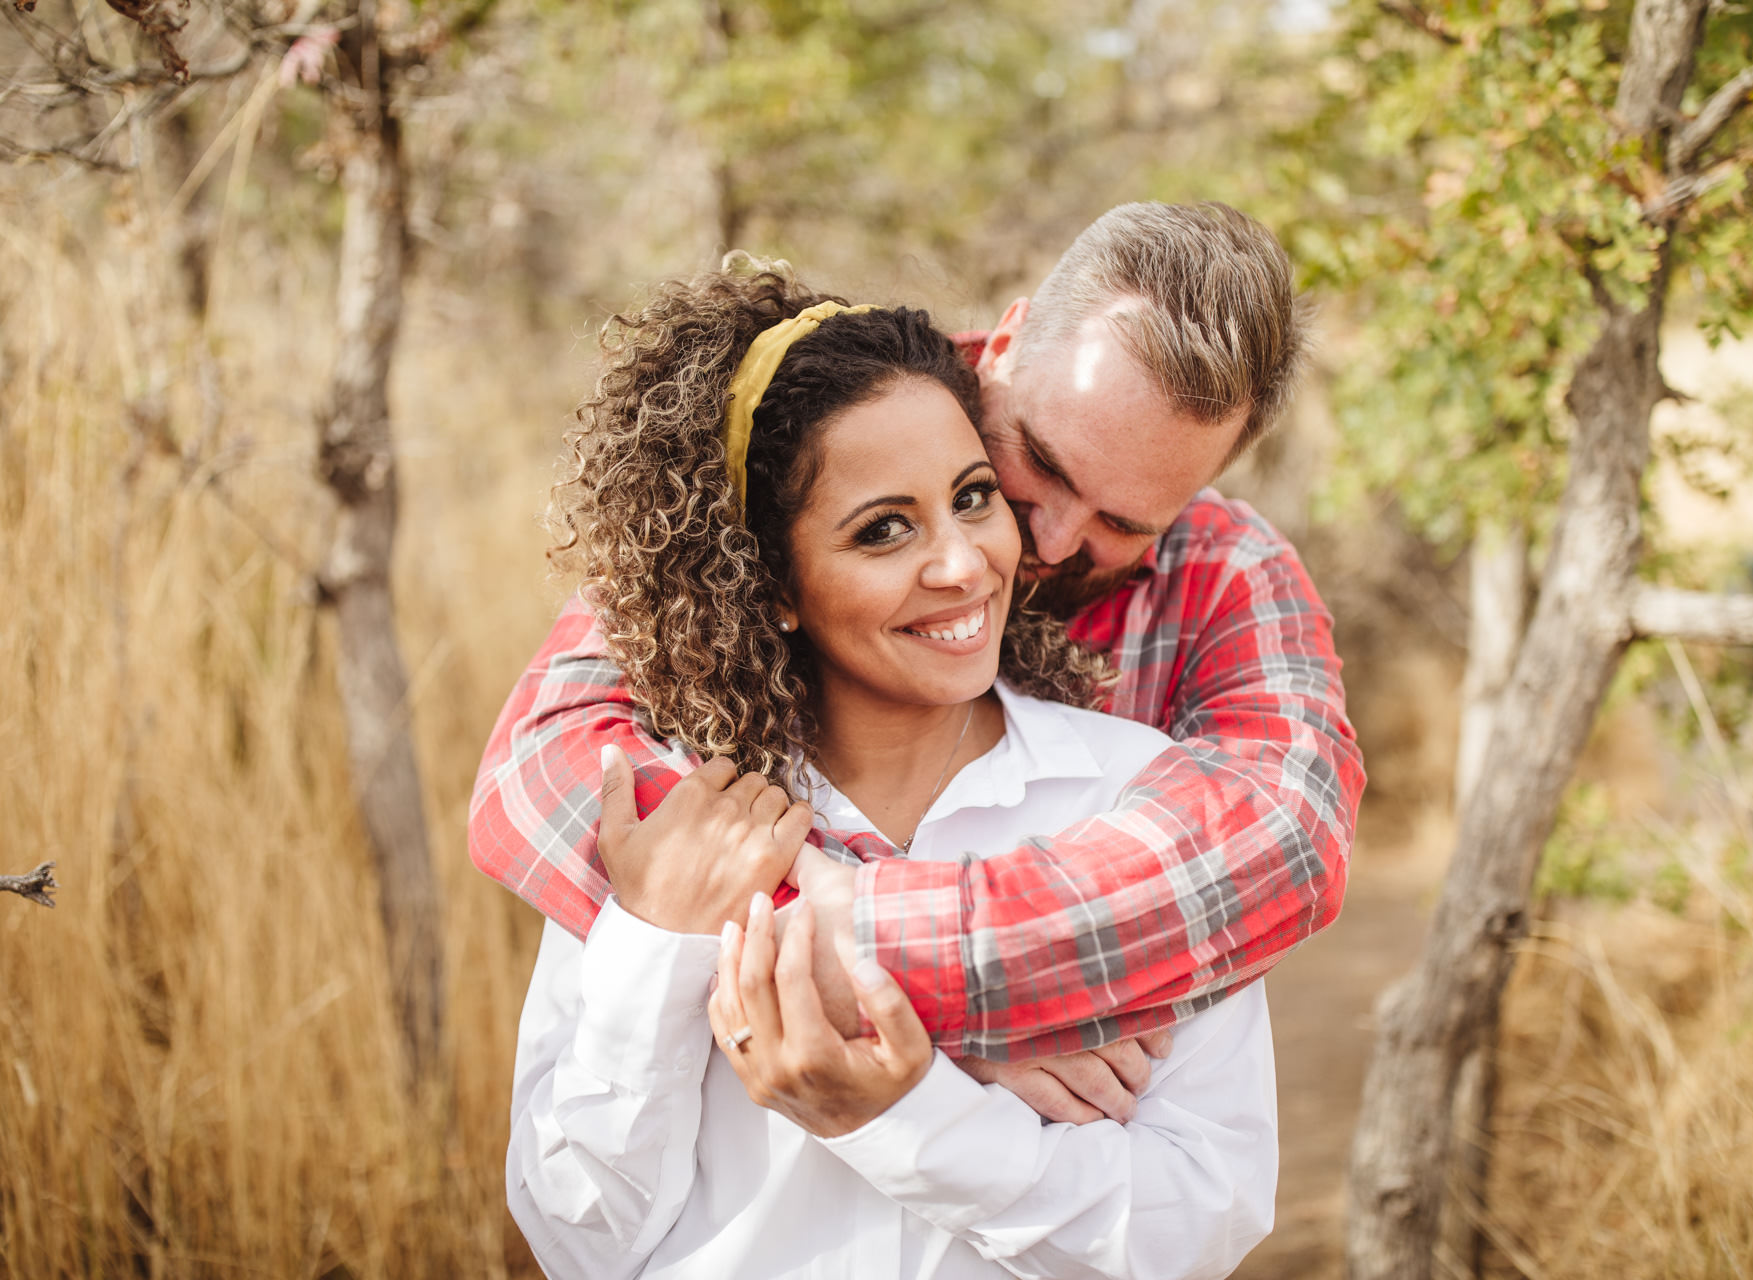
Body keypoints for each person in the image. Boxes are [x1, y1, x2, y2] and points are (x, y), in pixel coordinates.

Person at [473, 201, 1363, 1117]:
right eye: (1041, 466)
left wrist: (877, 959)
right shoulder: (819, 418)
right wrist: (891, 1005)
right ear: (1009, 342)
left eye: (1124, 522)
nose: (1051, 540)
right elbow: (544, 769)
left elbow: (1286, 837)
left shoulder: (1229, 570)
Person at [510, 273, 1278, 1277]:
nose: (964, 563)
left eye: (973, 497)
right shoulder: (679, 830)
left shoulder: (1139, 800)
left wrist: (910, 1114)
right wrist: (656, 946)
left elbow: (1199, 1221)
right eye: (884, 528)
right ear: (774, 582)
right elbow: (577, 1232)